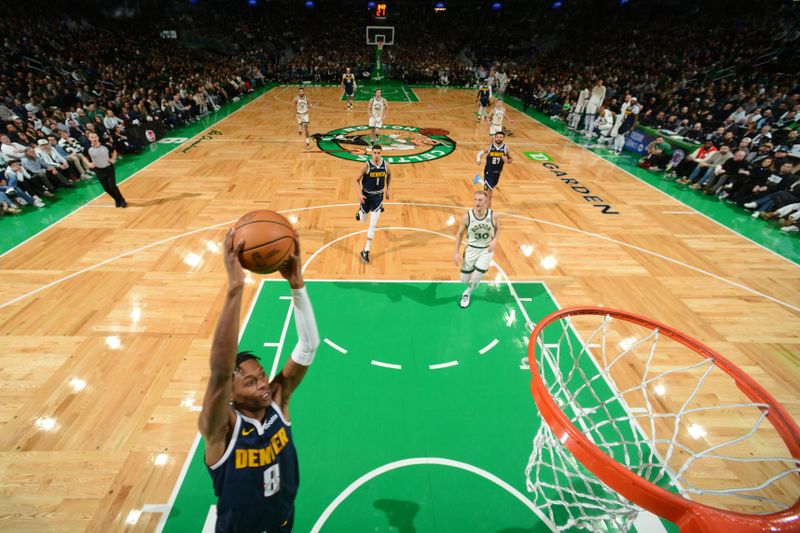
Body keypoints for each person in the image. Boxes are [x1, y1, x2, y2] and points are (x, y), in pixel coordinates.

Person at [200, 230, 319, 533]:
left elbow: (308, 346)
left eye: (262, 376)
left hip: (282, 521)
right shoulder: (220, 428)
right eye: (250, 383)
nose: (263, 384)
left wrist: (297, 286)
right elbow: (218, 372)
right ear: (231, 394)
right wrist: (235, 287)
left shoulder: (278, 400)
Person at [453, 190, 500, 309]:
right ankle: (473, 276)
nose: (477, 202)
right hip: (471, 250)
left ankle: (467, 293)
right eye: (475, 200)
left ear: (486, 201)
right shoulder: (467, 217)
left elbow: (498, 229)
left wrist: (494, 240)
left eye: (480, 200)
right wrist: (456, 253)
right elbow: (459, 234)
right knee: (464, 280)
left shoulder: (493, 215)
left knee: (475, 278)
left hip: (486, 251)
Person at [354, 144, 391, 264]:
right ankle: (360, 212)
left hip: (378, 197)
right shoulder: (366, 165)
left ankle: (366, 250)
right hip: (366, 196)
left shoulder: (386, 165)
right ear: (371, 153)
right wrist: (359, 194)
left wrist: (388, 189)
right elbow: (355, 179)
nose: (376, 155)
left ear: (381, 153)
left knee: (372, 225)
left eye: (379, 153)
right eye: (375, 153)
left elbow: (389, 176)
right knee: (363, 221)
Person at [86, 132, 127, 208]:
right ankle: (116, 199)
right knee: (106, 189)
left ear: (98, 137)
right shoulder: (88, 148)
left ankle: (121, 199)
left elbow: (114, 151)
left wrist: (113, 159)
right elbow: (83, 156)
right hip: (98, 170)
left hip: (109, 169)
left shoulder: (105, 146)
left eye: (95, 137)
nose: (94, 138)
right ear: (89, 139)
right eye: (92, 137)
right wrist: (88, 163)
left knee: (112, 186)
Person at [475, 131, 512, 208]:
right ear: (495, 137)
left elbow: (510, 160)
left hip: (497, 173)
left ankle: (479, 180)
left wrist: (507, 160)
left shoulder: (506, 148)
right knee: (490, 194)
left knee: (489, 188)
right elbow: (480, 153)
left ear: (503, 138)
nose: (499, 138)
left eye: (500, 137)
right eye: (497, 137)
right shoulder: (489, 147)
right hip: (489, 172)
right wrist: (478, 160)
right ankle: (488, 212)